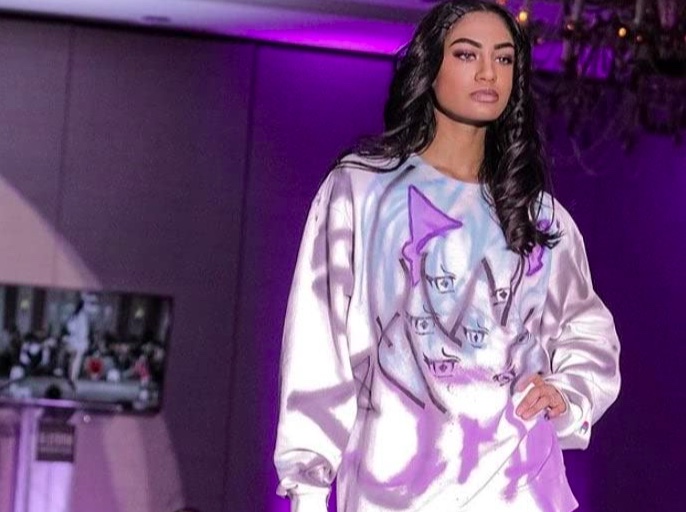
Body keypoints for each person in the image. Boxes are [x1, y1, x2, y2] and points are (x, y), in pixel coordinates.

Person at [273, 1, 621, 511]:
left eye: (504, 58)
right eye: (466, 54)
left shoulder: (541, 217)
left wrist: (568, 393)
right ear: (430, 66)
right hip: (394, 491)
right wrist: (307, 490)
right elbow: (318, 345)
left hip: (521, 489)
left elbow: (590, 332)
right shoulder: (362, 192)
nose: (488, 73)